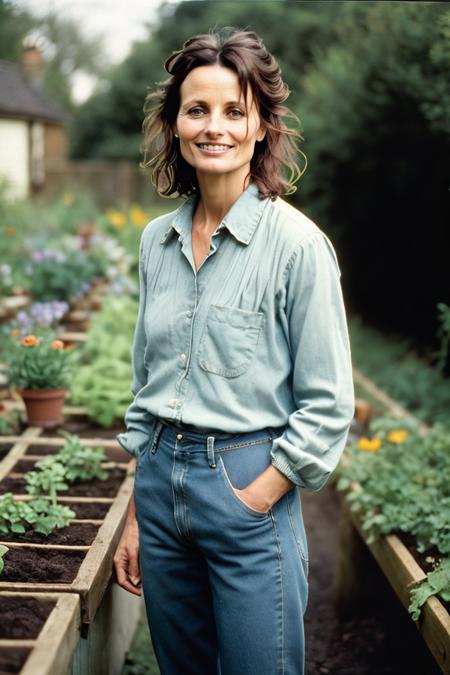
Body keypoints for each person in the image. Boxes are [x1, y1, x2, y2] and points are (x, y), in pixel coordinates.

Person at [113, 28, 355, 675]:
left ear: (261, 127)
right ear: (174, 126)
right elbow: (147, 384)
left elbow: (329, 404)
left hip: (249, 483)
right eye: (197, 109)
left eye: (233, 110)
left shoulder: (298, 248)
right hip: (161, 487)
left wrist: (259, 494)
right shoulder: (155, 243)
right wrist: (138, 514)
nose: (213, 126)